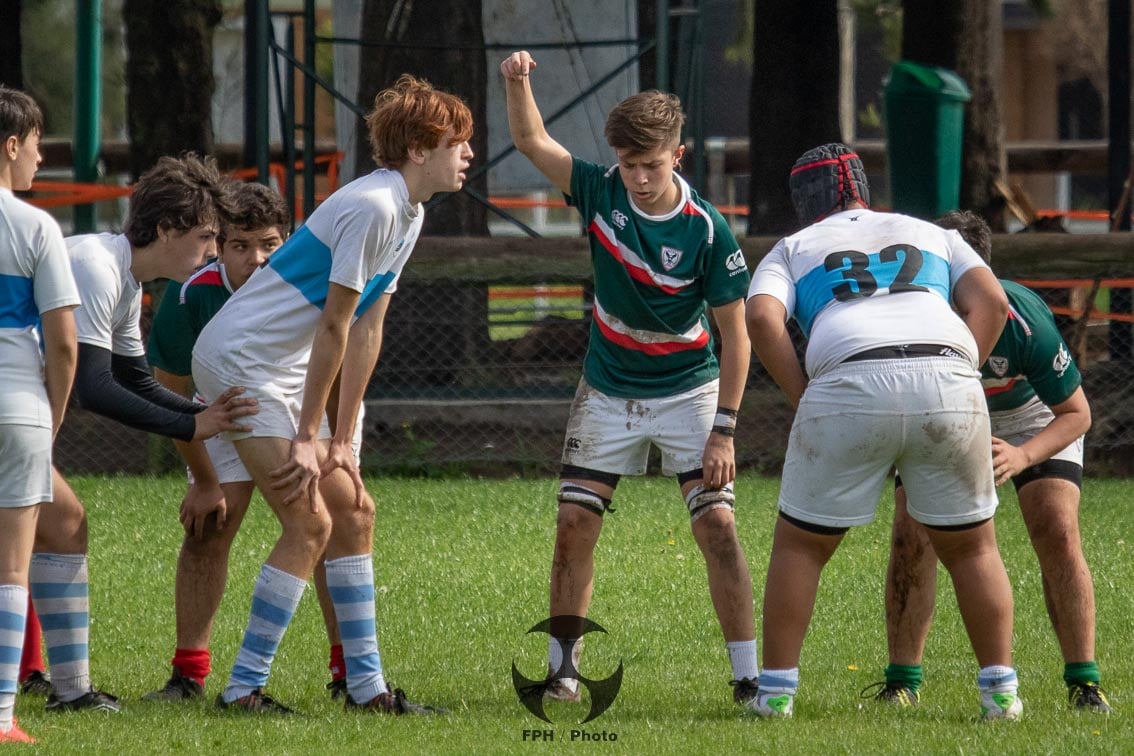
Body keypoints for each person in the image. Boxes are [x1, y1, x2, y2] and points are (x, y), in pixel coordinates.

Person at [191, 74, 471, 715]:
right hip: (243, 361)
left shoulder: (412, 210)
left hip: (281, 367)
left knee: (355, 513)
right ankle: (242, 689)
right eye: (458, 141)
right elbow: (333, 325)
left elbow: (369, 323)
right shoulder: (375, 206)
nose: (468, 154)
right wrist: (306, 437)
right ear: (420, 148)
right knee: (310, 519)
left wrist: (341, 441)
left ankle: (366, 688)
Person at [500, 51, 759, 709]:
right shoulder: (599, 190)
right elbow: (531, 140)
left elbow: (738, 336)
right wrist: (517, 81)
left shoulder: (707, 233)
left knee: (718, 529)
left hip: (690, 391)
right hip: (609, 389)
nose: (639, 178)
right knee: (572, 524)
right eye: (628, 164)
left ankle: (749, 678)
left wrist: (724, 431)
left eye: (651, 164)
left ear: (678, 155)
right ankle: (562, 670)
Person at [745, 143, 1021, 720]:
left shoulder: (792, 247)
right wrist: (958, 374)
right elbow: (992, 303)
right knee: (973, 548)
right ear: (864, 189)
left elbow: (761, 318)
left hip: (847, 380)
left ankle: (774, 697)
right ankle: (1001, 694)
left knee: (801, 544)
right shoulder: (933, 232)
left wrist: (804, 396)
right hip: (947, 373)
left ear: (803, 202)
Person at [30, 154, 256, 714]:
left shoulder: (127, 279)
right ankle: (67, 689)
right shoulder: (95, 265)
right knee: (61, 525)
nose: (211, 250)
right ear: (164, 230)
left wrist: (198, 415)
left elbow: (132, 378)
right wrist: (191, 422)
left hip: (17, 417)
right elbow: (92, 387)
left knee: (59, 526)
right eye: (206, 236)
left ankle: (67, 688)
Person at [870, 210, 1109, 712]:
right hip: (945, 413)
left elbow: (1077, 414)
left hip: (1029, 416)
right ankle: (901, 684)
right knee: (911, 532)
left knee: (1057, 529)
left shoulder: (1021, 320)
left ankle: (1084, 685)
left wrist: (1023, 454)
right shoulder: (912, 310)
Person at [141, 181, 351, 701]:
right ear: (220, 246)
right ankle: (188, 676)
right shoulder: (191, 294)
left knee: (336, 514)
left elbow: (339, 348)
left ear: (289, 243)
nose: (256, 259)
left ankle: (350, 672)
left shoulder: (307, 284)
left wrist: (339, 442)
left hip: (292, 408)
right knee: (209, 527)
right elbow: (170, 395)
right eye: (240, 246)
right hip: (217, 417)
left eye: (270, 245)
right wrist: (205, 481)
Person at [0, 85, 80, 745]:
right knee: (11, 566)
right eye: (34, 145)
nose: (40, 159)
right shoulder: (35, 227)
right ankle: (2, 718)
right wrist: (51, 418)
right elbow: (63, 342)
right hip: (16, 406)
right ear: (10, 145)